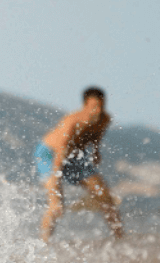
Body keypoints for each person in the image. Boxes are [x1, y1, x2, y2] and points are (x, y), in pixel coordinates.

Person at [37, 87, 124, 240]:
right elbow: (60, 153)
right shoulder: (72, 122)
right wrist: (55, 183)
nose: (97, 111)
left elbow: (96, 135)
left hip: (75, 156)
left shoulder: (105, 119)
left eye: (101, 106)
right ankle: (43, 243)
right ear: (85, 106)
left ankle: (120, 239)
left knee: (104, 195)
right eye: (93, 107)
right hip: (50, 154)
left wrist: (96, 151)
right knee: (57, 205)